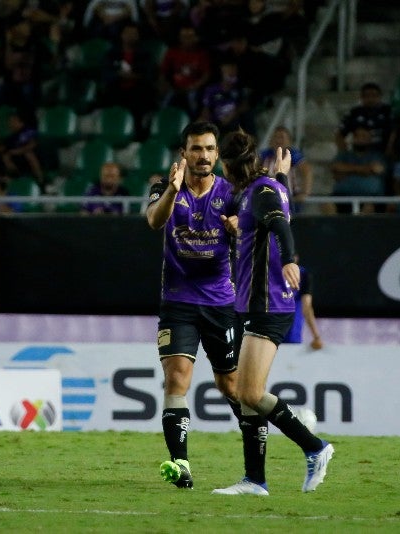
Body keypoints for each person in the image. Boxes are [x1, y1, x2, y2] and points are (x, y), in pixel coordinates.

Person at [145, 121, 267, 492]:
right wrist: (172, 190)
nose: (204, 156)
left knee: (231, 385)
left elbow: (252, 231)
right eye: (196, 148)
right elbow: (155, 221)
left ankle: (254, 458)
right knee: (176, 377)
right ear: (184, 153)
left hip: (220, 302)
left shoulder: (231, 193)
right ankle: (181, 463)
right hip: (178, 301)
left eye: (210, 149)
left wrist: (237, 227)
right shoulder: (164, 188)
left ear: (217, 154)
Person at [212, 130, 333, 495]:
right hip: (251, 302)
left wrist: (290, 261)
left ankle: (315, 446)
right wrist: (281, 177)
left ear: (228, 165)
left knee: (249, 393)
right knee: (244, 394)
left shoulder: (260, 192)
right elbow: (277, 209)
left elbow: (279, 223)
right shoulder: (263, 189)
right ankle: (255, 479)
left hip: (267, 303)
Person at [260, 125, 313, 213]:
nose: (278, 140)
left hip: (289, 200)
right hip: (267, 200)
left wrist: (305, 193)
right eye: (276, 137)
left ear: (289, 141)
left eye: (282, 137)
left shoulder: (293, 155)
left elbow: (307, 171)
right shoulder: (264, 155)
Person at [282, 254, 323, 350]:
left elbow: (306, 307)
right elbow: (307, 308)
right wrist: (316, 336)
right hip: (289, 336)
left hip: (272, 334)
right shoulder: (303, 274)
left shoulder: (304, 275)